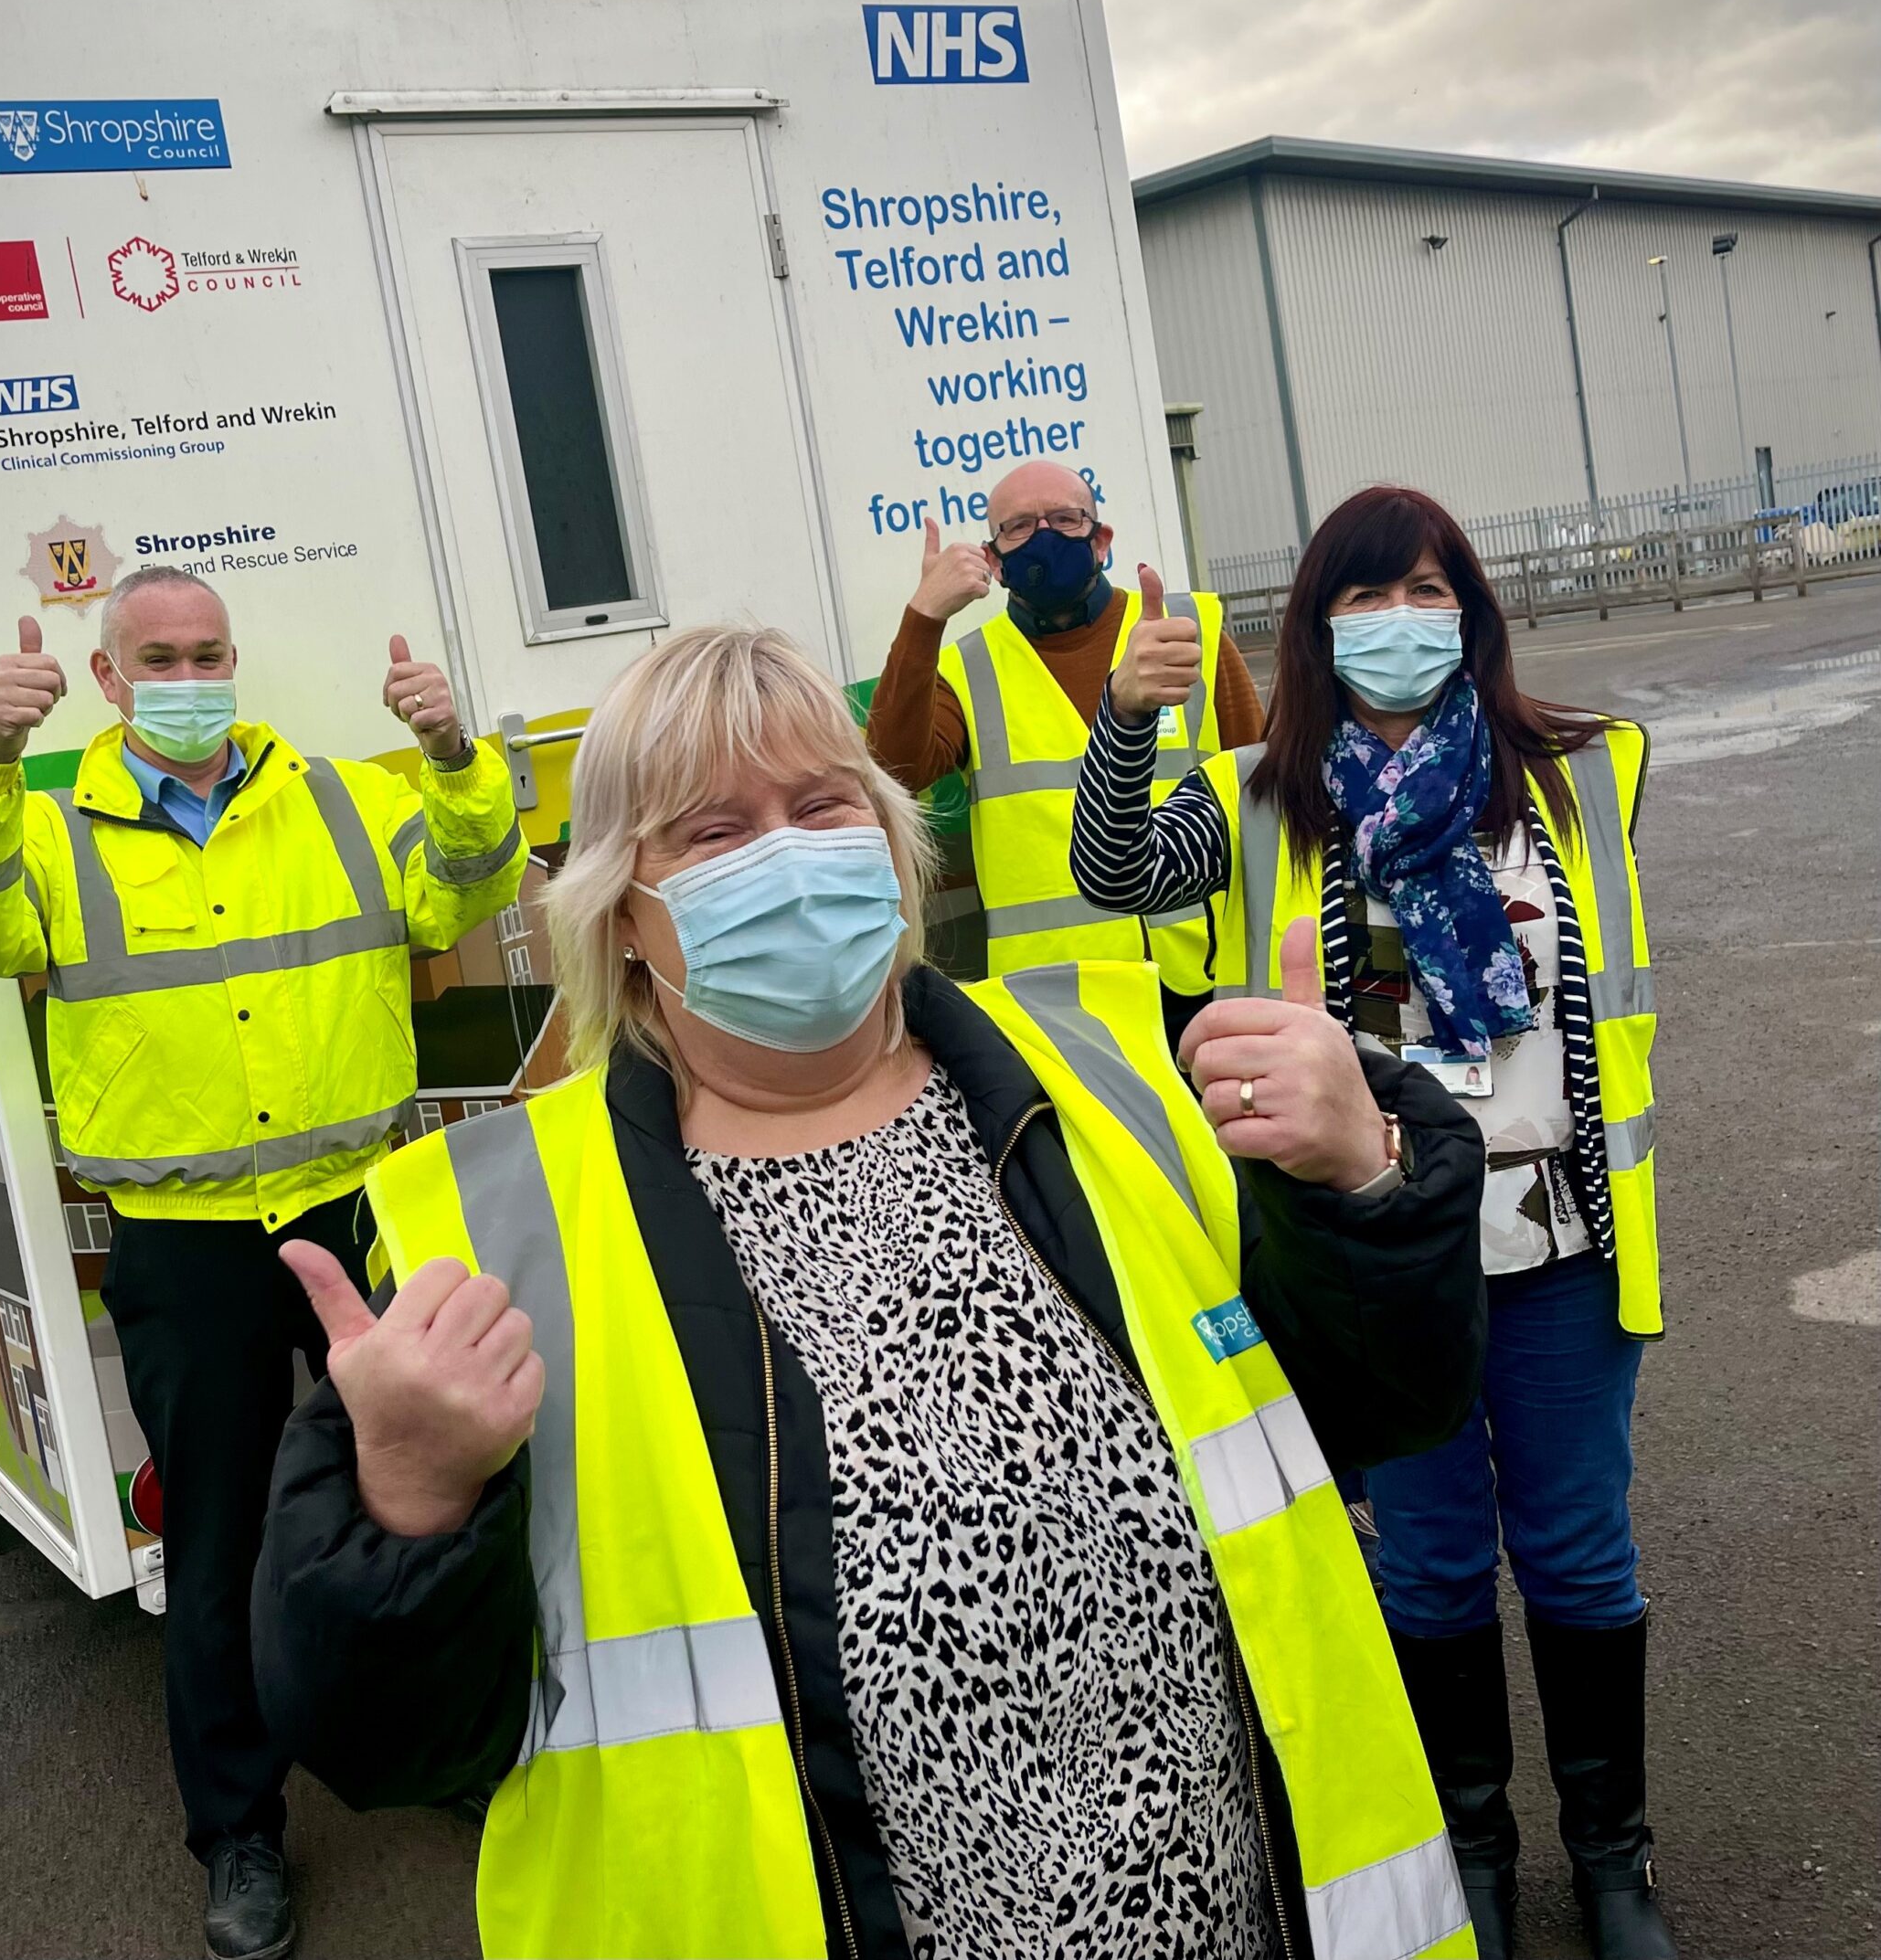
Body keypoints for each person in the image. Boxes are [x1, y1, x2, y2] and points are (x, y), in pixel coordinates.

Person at [251, 621, 1493, 1960]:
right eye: (714, 831)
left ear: (892, 841)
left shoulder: (1110, 1067)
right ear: (621, 916)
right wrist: (410, 1500)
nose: (788, 855)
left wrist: (1363, 1179)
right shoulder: (499, 1230)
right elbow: (390, 1744)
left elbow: (1388, 1403)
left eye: (822, 805)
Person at [0, 566, 526, 1960]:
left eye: (209, 652)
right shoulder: (50, 833)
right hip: (184, 1242)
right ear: (109, 680)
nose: (191, 678)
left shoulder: (343, 799)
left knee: (433, 1497)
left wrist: (454, 756)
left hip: (361, 1208)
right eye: (161, 658)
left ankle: (456, 1748)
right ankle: (239, 1830)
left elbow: (465, 892)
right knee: (219, 1543)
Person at [1068, 485, 1671, 1960]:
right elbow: (1114, 873)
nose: (1399, 619)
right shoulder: (1263, 797)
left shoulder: (1582, 772)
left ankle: (1616, 1862)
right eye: (1364, 594)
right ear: (1317, 626)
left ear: (1471, 610)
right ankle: (1470, 1851)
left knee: (1581, 1551)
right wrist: (1129, 718)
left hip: (1561, 1244)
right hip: (1381, 1258)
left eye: (1426, 589)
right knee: (1430, 1562)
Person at [864, 459, 1264, 1028]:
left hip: (1210, 977)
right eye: (1019, 527)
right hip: (1054, 1002)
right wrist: (924, 617)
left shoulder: (1184, 631)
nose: (1044, 536)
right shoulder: (966, 670)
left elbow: (1262, 790)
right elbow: (891, 773)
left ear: (1101, 541)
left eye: (1065, 519)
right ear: (994, 561)